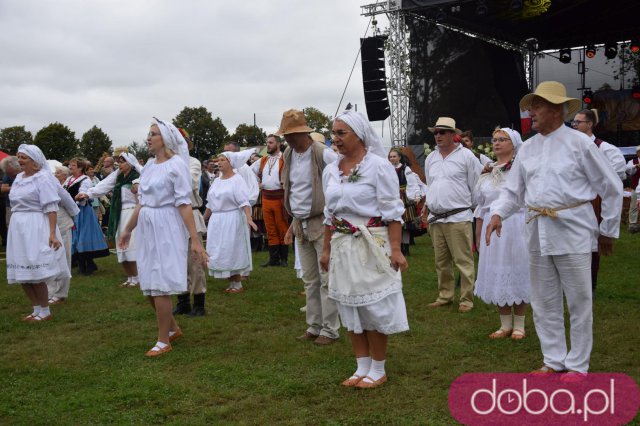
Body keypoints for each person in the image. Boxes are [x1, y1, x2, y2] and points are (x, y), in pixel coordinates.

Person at [486, 81, 623, 380]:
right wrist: (498, 213)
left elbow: (611, 187)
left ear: (557, 109)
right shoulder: (529, 148)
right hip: (536, 230)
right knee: (544, 299)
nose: (531, 112)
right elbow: (513, 191)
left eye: (537, 106)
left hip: (573, 229)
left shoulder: (580, 143)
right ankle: (553, 359)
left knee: (578, 299)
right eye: (531, 105)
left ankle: (577, 364)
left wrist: (608, 230)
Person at [320, 110, 408, 388]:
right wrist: (326, 250)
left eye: (341, 133)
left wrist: (395, 249)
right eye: (333, 133)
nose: (335, 139)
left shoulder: (378, 167)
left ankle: (378, 368)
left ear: (360, 135)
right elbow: (329, 213)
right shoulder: (331, 169)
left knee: (373, 305)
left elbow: (393, 212)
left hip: (373, 241)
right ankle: (361, 366)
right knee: (349, 303)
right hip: (342, 243)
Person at [118, 118, 207, 357]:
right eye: (148, 133)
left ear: (165, 139)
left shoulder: (177, 164)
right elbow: (142, 201)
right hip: (147, 225)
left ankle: (162, 340)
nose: (148, 138)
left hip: (167, 225)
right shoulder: (148, 165)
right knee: (148, 283)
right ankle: (173, 329)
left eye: (153, 134)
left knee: (160, 283)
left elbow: (184, 203)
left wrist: (195, 240)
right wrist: (127, 229)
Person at [278, 108, 341, 346]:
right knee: (309, 280)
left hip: (321, 222)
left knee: (327, 279)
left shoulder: (322, 153)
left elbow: (341, 176)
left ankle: (330, 329)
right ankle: (314, 326)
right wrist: (292, 224)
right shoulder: (288, 154)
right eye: (286, 136)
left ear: (305, 133)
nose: (289, 140)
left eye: (292, 135)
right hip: (299, 223)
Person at [473, 128, 530, 339]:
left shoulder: (520, 168)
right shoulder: (488, 170)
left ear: (513, 144)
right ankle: (505, 324)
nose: (496, 143)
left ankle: (519, 325)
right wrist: (478, 232)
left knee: (518, 269)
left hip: (515, 224)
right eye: (494, 139)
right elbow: (481, 205)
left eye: (502, 139)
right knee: (497, 271)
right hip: (491, 224)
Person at [422, 117, 482, 313]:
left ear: (453, 135)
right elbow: (430, 184)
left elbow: (476, 185)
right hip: (436, 218)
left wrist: (469, 209)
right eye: (435, 133)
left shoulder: (467, 156)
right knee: (441, 262)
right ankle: (445, 295)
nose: (437, 136)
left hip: (458, 216)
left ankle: (466, 299)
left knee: (463, 261)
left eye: (442, 132)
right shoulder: (431, 157)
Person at [6, 144, 70, 322]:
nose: (20, 160)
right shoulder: (19, 178)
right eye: (18, 157)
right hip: (18, 226)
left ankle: (45, 310)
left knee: (36, 272)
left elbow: (51, 207)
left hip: (36, 225)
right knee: (22, 272)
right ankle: (36, 309)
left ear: (35, 161)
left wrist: (52, 233)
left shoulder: (43, 179)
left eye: (24, 157)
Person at [571, 109, 626, 295]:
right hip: (573, 199)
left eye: (579, 122)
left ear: (590, 124)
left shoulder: (605, 148)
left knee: (591, 241)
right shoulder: (569, 146)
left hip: (595, 199)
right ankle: (571, 283)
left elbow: (616, 173)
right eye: (574, 122)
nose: (575, 125)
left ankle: (590, 283)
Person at [76, 152, 141, 287]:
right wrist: (88, 194)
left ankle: (137, 277)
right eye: (119, 162)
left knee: (131, 244)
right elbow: (103, 185)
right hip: (119, 214)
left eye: (122, 162)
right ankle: (130, 277)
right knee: (120, 243)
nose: (119, 165)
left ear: (130, 163)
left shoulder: (138, 176)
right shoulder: (118, 176)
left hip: (134, 213)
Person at [204, 152, 258, 294]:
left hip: (233, 218)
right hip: (217, 220)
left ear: (231, 162)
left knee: (232, 249)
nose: (219, 162)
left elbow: (243, 201)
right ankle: (231, 282)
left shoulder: (237, 179)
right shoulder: (216, 181)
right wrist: (203, 220)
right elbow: (210, 203)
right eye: (218, 160)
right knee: (222, 250)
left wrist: (249, 218)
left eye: (223, 160)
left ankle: (237, 283)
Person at [173, 129, 208, 316]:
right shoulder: (166, 163)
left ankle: (199, 303)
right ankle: (183, 300)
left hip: (191, 214)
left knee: (194, 262)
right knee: (177, 261)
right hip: (173, 217)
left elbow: (191, 184)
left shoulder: (192, 163)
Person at [64, 158, 109, 275]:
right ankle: (85, 264)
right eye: (70, 165)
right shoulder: (69, 179)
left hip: (82, 211)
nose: (70, 167)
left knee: (83, 236)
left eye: (73, 165)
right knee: (76, 237)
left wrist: (78, 198)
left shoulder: (85, 180)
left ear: (80, 168)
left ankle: (86, 265)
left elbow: (83, 195)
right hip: (72, 211)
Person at [251, 134, 289, 266]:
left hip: (280, 197)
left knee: (282, 227)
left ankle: (283, 258)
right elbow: (250, 172)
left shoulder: (285, 158)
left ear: (278, 144)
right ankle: (273, 259)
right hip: (266, 197)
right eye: (267, 142)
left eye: (271, 143)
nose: (268, 145)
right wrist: (257, 183)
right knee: (270, 228)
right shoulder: (263, 160)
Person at [47, 165, 80, 304]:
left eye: (59, 172)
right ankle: (50, 290)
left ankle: (61, 293)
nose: (56, 174)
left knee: (62, 257)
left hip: (61, 222)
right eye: (55, 172)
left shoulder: (54, 185)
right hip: (46, 224)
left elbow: (69, 203)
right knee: (49, 258)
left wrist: (72, 218)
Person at [388, 148, 422, 256]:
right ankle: (398, 247)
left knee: (406, 225)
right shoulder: (387, 169)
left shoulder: (405, 169)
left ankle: (406, 248)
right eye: (390, 157)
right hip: (392, 197)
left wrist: (417, 195)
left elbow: (413, 183)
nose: (392, 158)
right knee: (395, 223)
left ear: (399, 157)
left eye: (394, 156)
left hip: (404, 197)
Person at [1, 156, 20, 243]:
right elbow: (3, 188)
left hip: (22, 207)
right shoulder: (7, 176)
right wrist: (18, 187)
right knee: (11, 226)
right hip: (10, 205)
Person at [626, 146, 640, 233]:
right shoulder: (632, 161)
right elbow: (627, 170)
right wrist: (636, 166)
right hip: (636, 187)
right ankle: (632, 224)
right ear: (637, 153)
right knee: (634, 206)